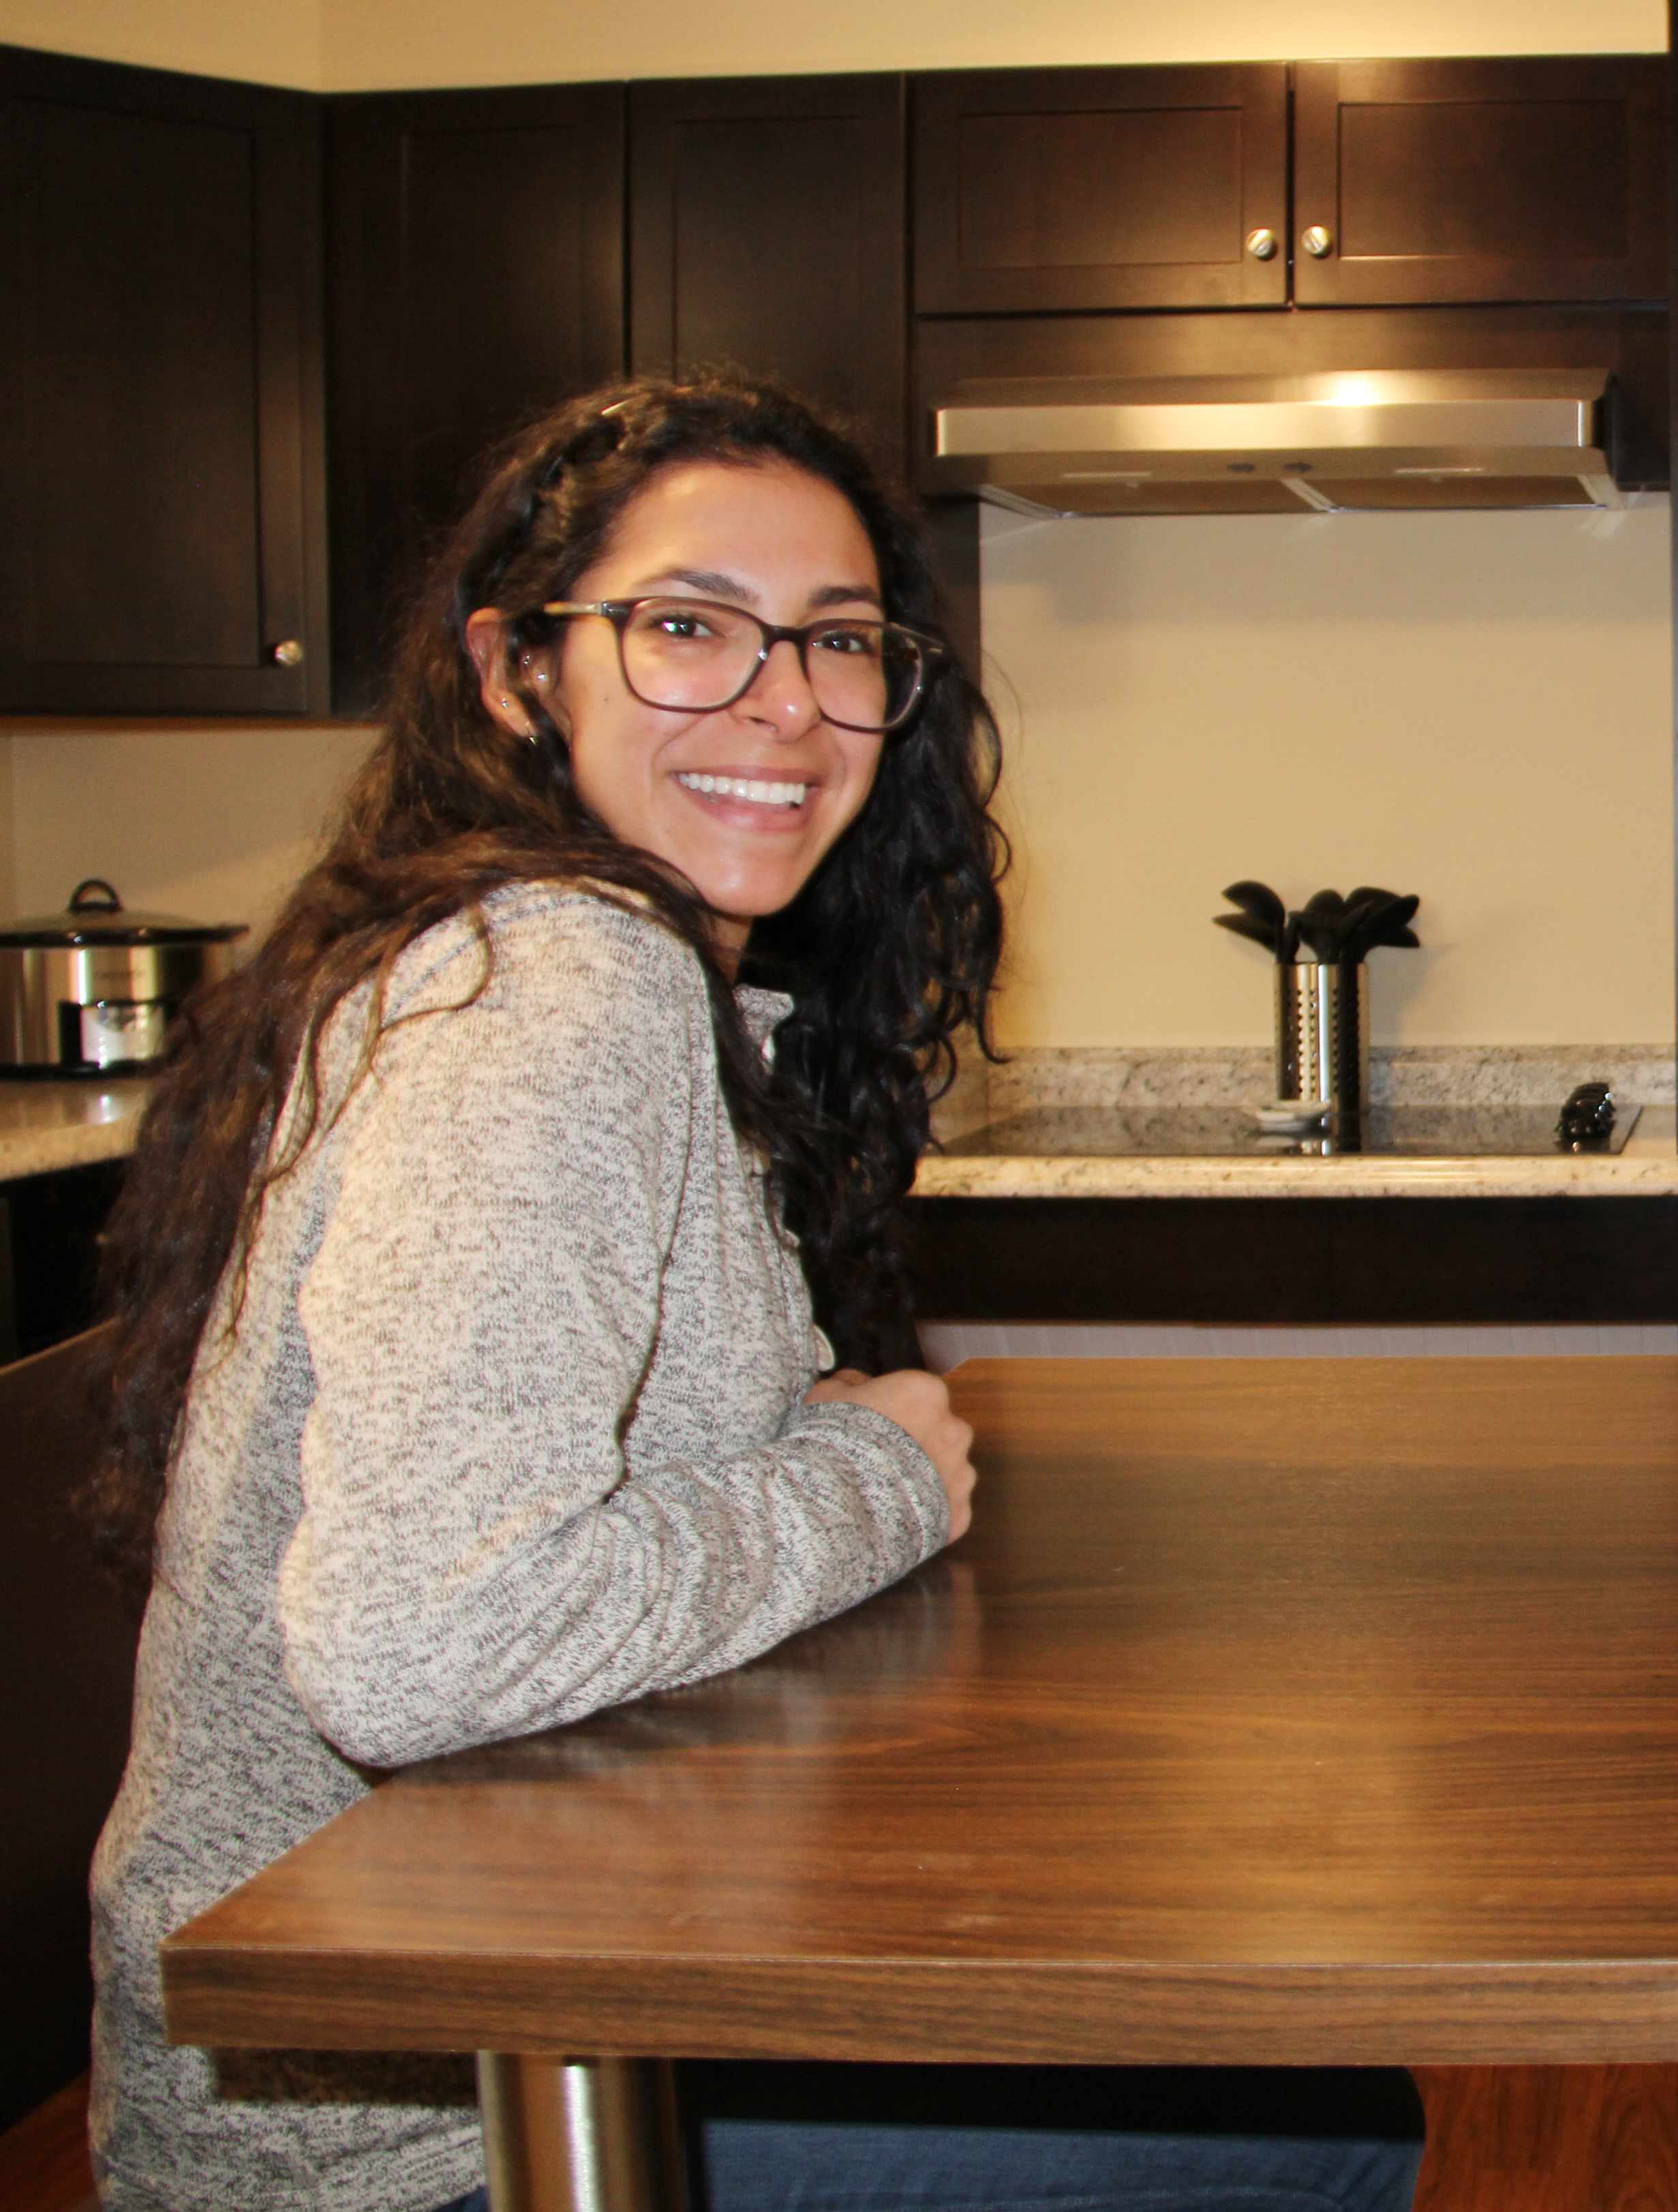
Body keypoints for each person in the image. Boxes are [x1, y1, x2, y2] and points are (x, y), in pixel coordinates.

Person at [79, 376, 1418, 2212]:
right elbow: (419, 1643)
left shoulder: (561, 959)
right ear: (514, 670)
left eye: (839, 640)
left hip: (520, 2000)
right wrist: (870, 1475)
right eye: (687, 628)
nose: (784, 705)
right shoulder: (554, 992)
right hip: (408, 2126)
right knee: (1318, 2121)